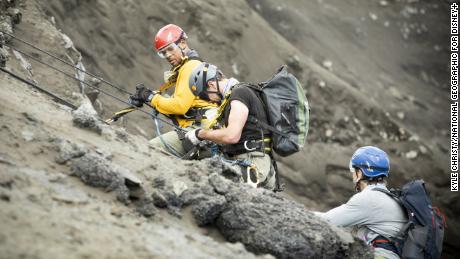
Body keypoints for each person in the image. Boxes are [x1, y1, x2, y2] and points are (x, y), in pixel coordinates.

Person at [129, 24, 217, 157]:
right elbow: (185, 108)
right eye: (163, 53)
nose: (168, 55)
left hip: (198, 129)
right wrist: (149, 98)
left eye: (170, 49)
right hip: (204, 128)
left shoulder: (190, 67)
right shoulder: (192, 65)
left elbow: (179, 106)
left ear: (182, 43)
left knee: (149, 150)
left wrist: (150, 98)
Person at [184, 62, 276, 190]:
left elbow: (232, 136)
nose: (209, 101)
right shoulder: (237, 94)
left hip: (253, 163)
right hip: (256, 161)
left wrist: (201, 134)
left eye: (204, 95)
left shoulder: (239, 94)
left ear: (211, 84)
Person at [315, 146, 408, 259]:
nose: (353, 176)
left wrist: (298, 212)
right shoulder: (390, 197)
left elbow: (328, 221)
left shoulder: (369, 198)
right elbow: (348, 226)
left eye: (354, 171)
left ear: (360, 173)